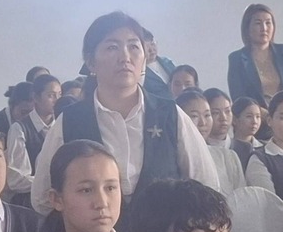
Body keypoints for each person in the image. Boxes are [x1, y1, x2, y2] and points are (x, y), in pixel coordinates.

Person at [38, 13, 221, 205]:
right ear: (91, 62)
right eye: (112, 47)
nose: (125, 57)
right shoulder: (70, 121)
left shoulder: (170, 115)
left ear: (144, 58)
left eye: (133, 47)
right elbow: (42, 198)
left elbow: (206, 188)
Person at [227, 3, 283, 105]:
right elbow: (238, 97)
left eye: (268, 23)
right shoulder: (236, 58)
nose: (264, 28)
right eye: (258, 23)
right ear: (247, 28)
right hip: (255, 113)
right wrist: (262, 112)